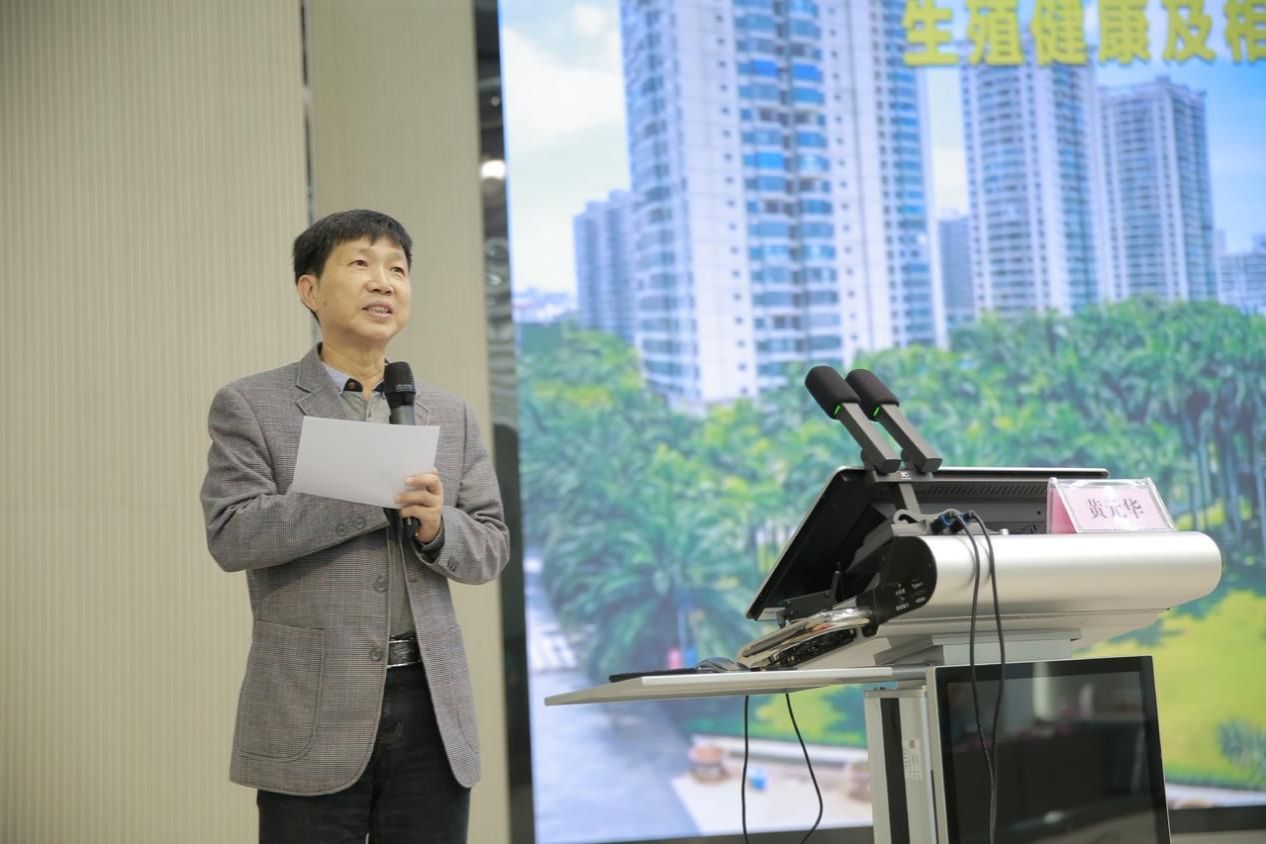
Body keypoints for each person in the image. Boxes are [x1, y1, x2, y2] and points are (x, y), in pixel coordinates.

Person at [200, 209, 510, 843]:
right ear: (310, 289)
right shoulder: (252, 404)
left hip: (432, 706)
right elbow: (232, 533)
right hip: (310, 704)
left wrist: (438, 529)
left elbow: (491, 545)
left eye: (397, 269)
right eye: (361, 264)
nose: (383, 282)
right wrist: (370, 493)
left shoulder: (449, 413)